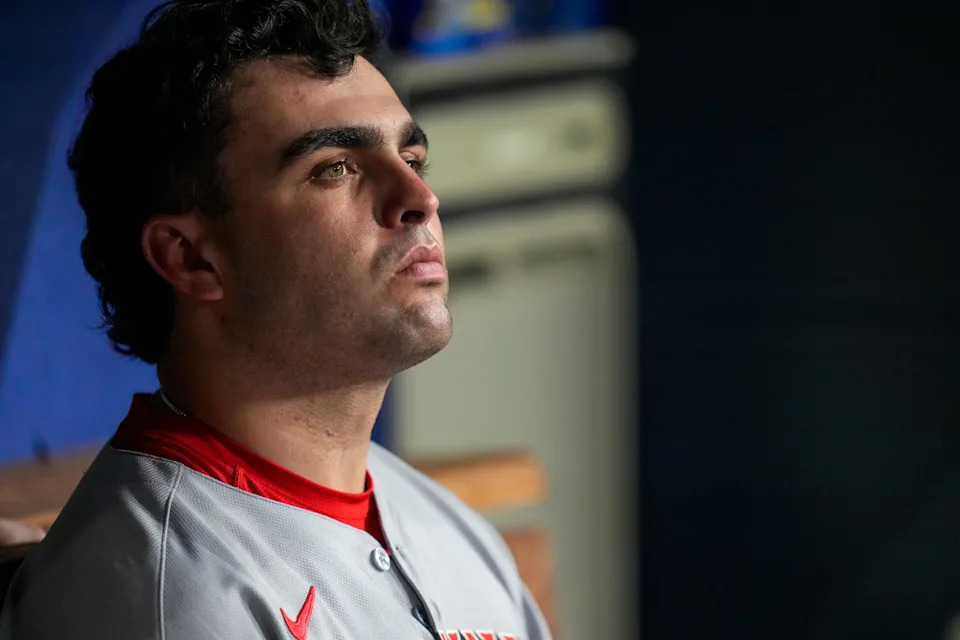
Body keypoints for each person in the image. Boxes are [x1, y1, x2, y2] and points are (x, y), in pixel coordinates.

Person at [0, 1, 551, 638]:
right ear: (190, 258)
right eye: (335, 168)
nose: (420, 199)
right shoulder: (172, 602)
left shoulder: (443, 523)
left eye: (413, 158)